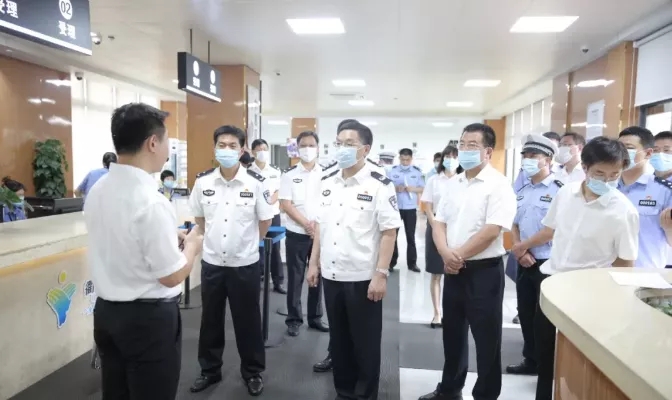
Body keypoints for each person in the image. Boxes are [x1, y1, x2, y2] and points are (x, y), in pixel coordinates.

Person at [84, 103, 203, 400]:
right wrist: (191, 247)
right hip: (146, 321)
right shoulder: (151, 201)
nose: (167, 148)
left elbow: (121, 237)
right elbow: (171, 276)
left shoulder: (98, 190)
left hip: (107, 314)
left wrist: (167, 235)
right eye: (166, 140)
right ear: (152, 143)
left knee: (116, 392)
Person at [511, 136, 639, 400]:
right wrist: (522, 246)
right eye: (599, 174)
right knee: (545, 357)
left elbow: (625, 264)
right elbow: (550, 229)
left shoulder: (623, 211)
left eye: (614, 175)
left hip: (589, 296)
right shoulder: (565, 193)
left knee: (578, 364)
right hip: (551, 287)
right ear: (585, 167)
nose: (606, 181)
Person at [419, 123, 516, 400]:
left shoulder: (499, 185)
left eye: (472, 145)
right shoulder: (454, 183)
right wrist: (445, 253)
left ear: (488, 152)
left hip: (484, 272)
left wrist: (457, 255)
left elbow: (492, 230)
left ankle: (485, 394)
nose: (464, 150)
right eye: (462, 144)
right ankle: (450, 389)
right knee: (453, 334)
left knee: (487, 339)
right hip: (454, 270)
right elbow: (439, 222)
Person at [307, 120, 401, 400]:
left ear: (365, 149)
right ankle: (344, 392)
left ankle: (365, 395)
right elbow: (320, 227)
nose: (342, 149)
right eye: (339, 143)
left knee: (365, 344)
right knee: (340, 343)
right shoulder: (327, 181)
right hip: (332, 275)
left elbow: (389, 232)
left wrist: (381, 274)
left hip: (363, 278)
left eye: (349, 144)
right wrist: (314, 263)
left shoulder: (379, 185)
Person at [189, 125, 273, 396]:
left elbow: (265, 220)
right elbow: (200, 219)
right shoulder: (203, 182)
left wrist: (248, 244)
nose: (226, 150)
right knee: (210, 320)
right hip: (213, 263)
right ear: (214, 148)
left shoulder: (255, 182)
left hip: (244, 264)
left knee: (248, 321)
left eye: (232, 145)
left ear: (242, 149)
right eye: (221, 145)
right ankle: (209, 370)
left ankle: (253, 371)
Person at [506, 134, 562, 377]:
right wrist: (520, 249)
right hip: (524, 260)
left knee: (544, 318)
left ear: (548, 159)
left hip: (547, 261)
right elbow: (514, 222)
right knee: (526, 312)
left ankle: (547, 366)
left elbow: (553, 230)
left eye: (534, 156)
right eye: (525, 155)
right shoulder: (522, 189)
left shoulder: (560, 190)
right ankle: (531, 360)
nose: (528, 160)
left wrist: (521, 247)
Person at [278, 130, 329, 336]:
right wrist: (307, 224)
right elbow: (286, 204)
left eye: (311, 145)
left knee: (317, 276)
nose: (307, 149)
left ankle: (315, 317)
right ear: (297, 149)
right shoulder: (289, 175)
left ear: (318, 148)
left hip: (320, 234)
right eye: (303, 145)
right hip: (296, 233)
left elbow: (329, 203)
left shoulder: (327, 174)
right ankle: (294, 319)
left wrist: (316, 227)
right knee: (295, 277)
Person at [616, 127, 672, 268]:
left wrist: (669, 229)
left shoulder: (665, 190)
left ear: (648, 153)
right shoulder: (607, 187)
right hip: (604, 270)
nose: (622, 153)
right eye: (619, 148)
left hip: (646, 272)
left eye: (629, 148)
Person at [420, 145, 460, 328]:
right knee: (436, 273)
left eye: (454, 156)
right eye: (447, 156)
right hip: (436, 226)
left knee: (456, 271)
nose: (451, 160)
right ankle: (437, 313)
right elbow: (427, 206)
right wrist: (435, 224)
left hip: (458, 228)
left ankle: (454, 314)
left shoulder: (463, 180)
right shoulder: (434, 180)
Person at [249, 138, 286, 294]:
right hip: (254, 215)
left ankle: (278, 281)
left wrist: (270, 201)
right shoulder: (247, 171)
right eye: (259, 149)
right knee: (255, 246)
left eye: (265, 149)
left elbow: (279, 189)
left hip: (273, 213)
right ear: (253, 152)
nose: (262, 152)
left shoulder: (275, 171)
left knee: (274, 248)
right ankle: (257, 279)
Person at [387, 148, 425, 273]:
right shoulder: (392, 171)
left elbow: (422, 189)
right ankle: (391, 263)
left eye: (407, 160)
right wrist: (395, 188)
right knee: (393, 236)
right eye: (402, 160)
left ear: (411, 159)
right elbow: (385, 187)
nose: (405, 162)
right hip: (395, 208)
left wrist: (413, 189)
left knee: (411, 237)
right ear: (399, 158)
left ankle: (412, 264)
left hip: (410, 209)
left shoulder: (417, 172)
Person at [651, 131, 672, 268]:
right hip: (649, 259)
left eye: (666, 150)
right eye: (656, 150)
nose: (660, 154)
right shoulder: (643, 182)